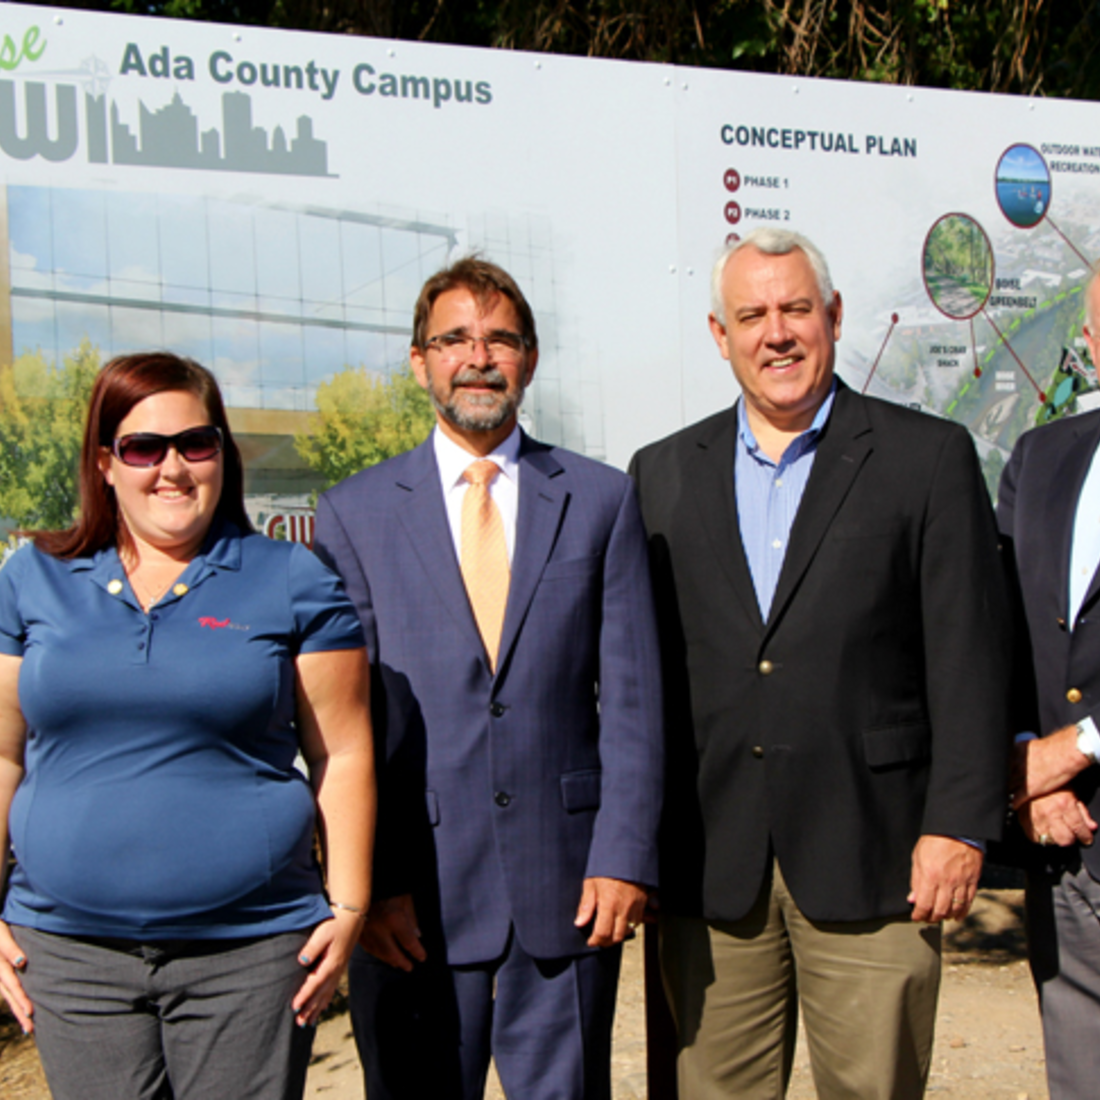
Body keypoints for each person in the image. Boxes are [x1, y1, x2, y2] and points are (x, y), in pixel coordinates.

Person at [629, 227, 1011, 1099]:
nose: (778, 333)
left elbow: (969, 656)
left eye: (796, 309)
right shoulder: (659, 475)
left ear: (833, 318)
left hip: (876, 854)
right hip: (709, 865)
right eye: (752, 315)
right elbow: (637, 678)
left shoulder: (927, 458)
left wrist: (957, 825)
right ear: (720, 336)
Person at [313, 256, 663, 1100]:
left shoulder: (601, 498)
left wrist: (623, 856)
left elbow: (634, 699)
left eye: (501, 339)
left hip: (571, 886)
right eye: (455, 339)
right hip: (414, 897)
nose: (479, 357)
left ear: (530, 359)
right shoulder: (353, 514)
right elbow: (341, 724)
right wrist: (369, 884)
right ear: (419, 360)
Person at [0, 352, 374, 1100]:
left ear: (222, 457)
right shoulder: (31, 576)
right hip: (71, 958)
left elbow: (343, 751)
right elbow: (3, 752)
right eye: (144, 448)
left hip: (252, 953)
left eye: (195, 444)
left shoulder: (293, 578)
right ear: (105, 463)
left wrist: (351, 907)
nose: (171, 468)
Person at [999, 271, 1100, 1099]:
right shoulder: (1041, 457)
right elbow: (996, 629)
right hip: (1062, 850)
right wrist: (1023, 761)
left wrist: (1081, 745)